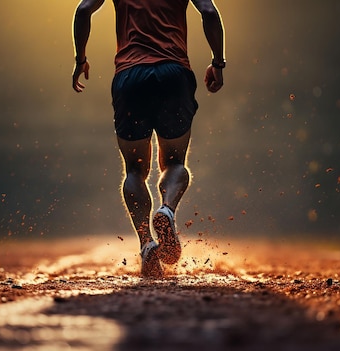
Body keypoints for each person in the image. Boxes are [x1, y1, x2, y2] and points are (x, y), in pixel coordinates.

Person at [72, 0, 225, 278]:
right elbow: (209, 12)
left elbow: (83, 11)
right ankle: (166, 210)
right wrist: (218, 63)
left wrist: (80, 59)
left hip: (130, 76)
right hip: (174, 74)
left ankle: (146, 244)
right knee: (174, 162)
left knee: (134, 170)